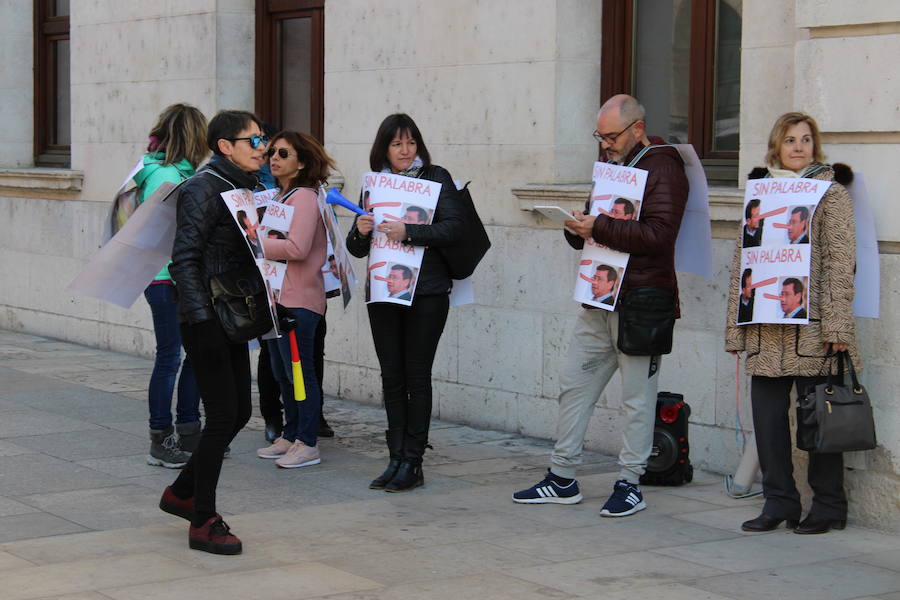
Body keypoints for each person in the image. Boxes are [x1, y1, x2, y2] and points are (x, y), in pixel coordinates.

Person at [512, 94, 688, 517]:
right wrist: (578, 228)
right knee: (574, 384)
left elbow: (661, 234)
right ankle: (562, 476)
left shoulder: (663, 165)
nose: (604, 144)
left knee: (637, 398)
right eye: (600, 136)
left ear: (637, 129)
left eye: (611, 136)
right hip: (600, 296)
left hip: (643, 302)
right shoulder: (616, 167)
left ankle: (630, 483)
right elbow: (599, 226)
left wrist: (601, 225)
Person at [725, 111, 859, 535]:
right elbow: (742, 264)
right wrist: (735, 328)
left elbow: (841, 262)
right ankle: (779, 502)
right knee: (767, 422)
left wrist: (838, 326)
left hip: (814, 330)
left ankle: (829, 506)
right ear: (776, 147)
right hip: (766, 329)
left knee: (820, 421)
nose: (798, 147)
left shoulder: (830, 193)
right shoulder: (760, 193)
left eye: (805, 139)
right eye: (789, 140)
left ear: (814, 146)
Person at [158, 110, 269, 555]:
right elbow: (183, 258)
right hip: (207, 318)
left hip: (233, 316)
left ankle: (181, 492)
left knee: (240, 411)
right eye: (253, 140)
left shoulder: (242, 187)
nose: (262, 147)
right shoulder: (205, 187)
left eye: (262, 139)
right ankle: (203, 519)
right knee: (223, 414)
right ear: (225, 146)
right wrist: (201, 319)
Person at [347, 113, 465, 492]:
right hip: (384, 292)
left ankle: (413, 460)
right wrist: (361, 230)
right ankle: (395, 456)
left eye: (411, 142)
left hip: (427, 292)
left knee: (417, 375)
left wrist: (409, 232)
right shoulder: (374, 184)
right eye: (397, 143)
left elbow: (454, 227)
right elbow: (355, 246)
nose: (405, 150)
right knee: (391, 376)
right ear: (384, 148)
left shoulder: (436, 177)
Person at [134, 103, 207, 469]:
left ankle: (189, 432)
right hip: (165, 277)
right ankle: (161, 439)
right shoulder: (165, 176)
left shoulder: (171, 171)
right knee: (170, 357)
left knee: (193, 355)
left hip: (178, 276)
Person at [255, 130, 333, 468]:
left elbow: (297, 248)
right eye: (272, 152)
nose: (274, 158)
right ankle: (290, 434)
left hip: (299, 301)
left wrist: (254, 243)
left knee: (301, 374)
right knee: (282, 372)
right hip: (278, 299)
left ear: (301, 163)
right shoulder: (283, 196)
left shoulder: (303, 197)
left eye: (283, 154)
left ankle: (307, 441)